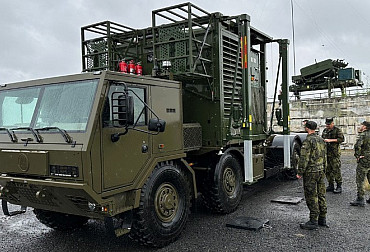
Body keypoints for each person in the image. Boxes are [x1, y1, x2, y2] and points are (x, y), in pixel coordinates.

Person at [297, 121, 328, 230]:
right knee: (321, 194)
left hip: (311, 172)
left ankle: (313, 220)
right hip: (320, 170)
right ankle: (322, 218)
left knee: (311, 195)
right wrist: (325, 168)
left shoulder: (308, 141)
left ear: (307, 128)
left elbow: (304, 158)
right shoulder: (321, 139)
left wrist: (300, 172)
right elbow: (325, 156)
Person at [322, 117, 344, 193]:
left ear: (332, 123)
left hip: (334, 153)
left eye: (329, 124)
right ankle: (330, 185)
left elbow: (341, 139)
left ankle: (339, 186)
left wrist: (330, 140)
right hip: (326, 153)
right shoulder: (325, 131)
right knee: (328, 170)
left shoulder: (337, 130)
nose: (327, 126)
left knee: (336, 169)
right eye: (326, 124)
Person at [350, 121, 370, 207]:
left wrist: (358, 156)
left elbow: (357, 145)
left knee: (360, 179)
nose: (360, 126)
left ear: (365, 127)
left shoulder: (363, 135)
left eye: (362, 125)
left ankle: (360, 199)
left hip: (365, 160)